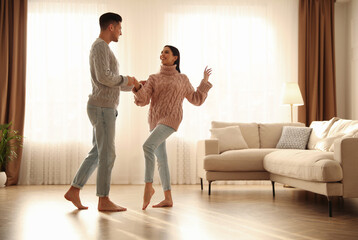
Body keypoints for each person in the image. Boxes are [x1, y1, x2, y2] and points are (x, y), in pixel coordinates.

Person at [64, 12, 135, 212]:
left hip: (103, 107)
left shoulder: (103, 48)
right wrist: (126, 79)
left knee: (97, 153)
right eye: (120, 28)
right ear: (111, 27)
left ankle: (74, 190)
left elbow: (110, 81)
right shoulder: (100, 47)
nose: (122, 32)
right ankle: (103, 200)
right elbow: (105, 77)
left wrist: (134, 86)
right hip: (102, 108)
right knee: (107, 154)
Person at [132, 45, 213, 210]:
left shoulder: (182, 79)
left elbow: (196, 99)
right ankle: (168, 198)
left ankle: (148, 186)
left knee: (147, 146)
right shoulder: (153, 78)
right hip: (154, 120)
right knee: (161, 159)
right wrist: (138, 87)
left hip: (172, 118)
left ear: (175, 57)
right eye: (161, 52)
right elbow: (143, 100)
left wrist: (204, 82)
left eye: (166, 52)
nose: (162, 54)